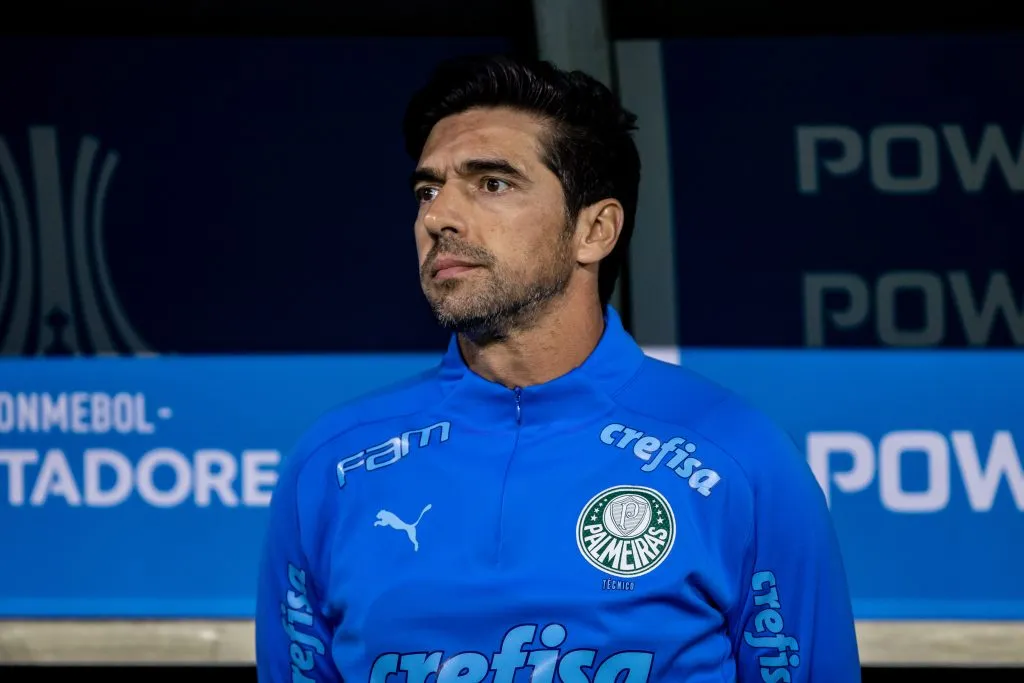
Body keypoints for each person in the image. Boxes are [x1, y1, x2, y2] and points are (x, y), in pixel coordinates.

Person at [255, 53, 861, 682]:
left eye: (492, 183)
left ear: (594, 230)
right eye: (427, 190)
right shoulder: (330, 466)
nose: (437, 217)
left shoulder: (740, 456)